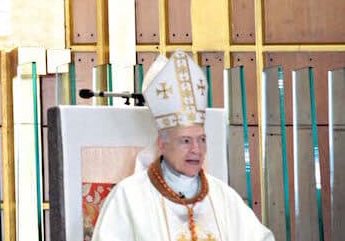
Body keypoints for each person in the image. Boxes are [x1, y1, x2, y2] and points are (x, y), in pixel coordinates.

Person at [92, 50, 275, 241]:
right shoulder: (129, 197)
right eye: (185, 141)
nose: (196, 150)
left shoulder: (223, 196)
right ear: (162, 144)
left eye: (201, 140)